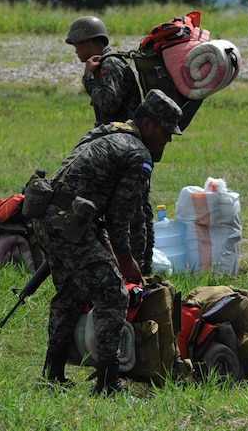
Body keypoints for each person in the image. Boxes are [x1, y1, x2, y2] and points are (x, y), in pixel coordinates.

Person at [33, 89, 182, 396]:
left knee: (72, 293)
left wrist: (112, 253)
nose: (168, 140)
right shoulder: (138, 155)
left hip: (49, 216)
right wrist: (126, 261)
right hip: (70, 223)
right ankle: (107, 383)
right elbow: (119, 218)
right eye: (166, 132)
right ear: (148, 124)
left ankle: (52, 375)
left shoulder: (108, 132)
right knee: (114, 295)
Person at [65, 15, 154, 274]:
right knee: (136, 204)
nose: (77, 51)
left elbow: (107, 102)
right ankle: (141, 260)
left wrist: (88, 78)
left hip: (124, 148)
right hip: (123, 144)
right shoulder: (110, 62)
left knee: (133, 208)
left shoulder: (108, 66)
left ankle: (139, 261)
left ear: (90, 42)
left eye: (78, 45)